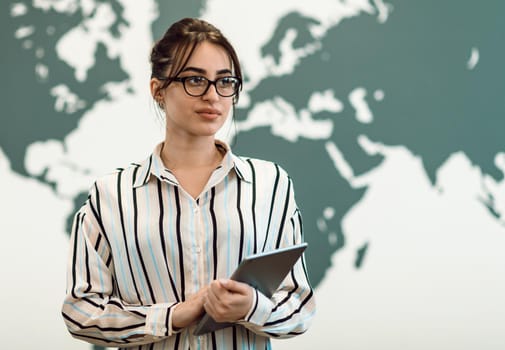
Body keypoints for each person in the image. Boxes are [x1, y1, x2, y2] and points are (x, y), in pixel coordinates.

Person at [62, 17, 315, 349]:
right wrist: (172, 316)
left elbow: (300, 306)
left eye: (225, 81)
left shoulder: (271, 185)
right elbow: (81, 312)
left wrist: (254, 307)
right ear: (158, 90)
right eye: (196, 79)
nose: (213, 95)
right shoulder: (111, 194)